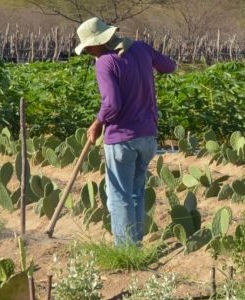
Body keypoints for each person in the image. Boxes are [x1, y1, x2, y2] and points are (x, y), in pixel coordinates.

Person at [75, 17, 176, 246]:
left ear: (99, 42)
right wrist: (143, 60)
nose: (89, 52)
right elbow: (169, 66)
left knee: (119, 196)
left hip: (121, 138)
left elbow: (112, 105)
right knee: (136, 193)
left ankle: (124, 249)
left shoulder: (105, 62)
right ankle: (135, 245)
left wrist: (97, 123)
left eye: (89, 47)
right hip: (148, 136)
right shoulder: (140, 48)